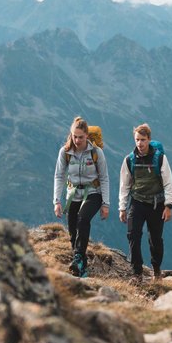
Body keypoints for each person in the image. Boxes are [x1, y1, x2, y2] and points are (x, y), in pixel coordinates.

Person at [118, 123, 172, 283]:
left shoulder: (160, 159)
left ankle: (156, 270)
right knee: (133, 235)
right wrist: (122, 207)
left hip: (157, 204)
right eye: (137, 139)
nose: (140, 143)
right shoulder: (129, 160)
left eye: (143, 140)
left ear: (149, 139)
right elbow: (125, 185)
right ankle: (136, 272)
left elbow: (168, 183)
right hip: (137, 202)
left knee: (155, 239)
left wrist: (169, 206)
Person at [53, 116, 110, 277]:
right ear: (70, 135)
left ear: (87, 136)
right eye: (74, 136)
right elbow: (59, 176)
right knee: (72, 231)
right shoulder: (65, 152)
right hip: (73, 194)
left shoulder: (96, 152)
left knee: (83, 219)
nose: (77, 140)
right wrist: (57, 201)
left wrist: (105, 203)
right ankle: (81, 265)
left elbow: (104, 177)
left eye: (81, 137)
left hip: (93, 193)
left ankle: (78, 257)